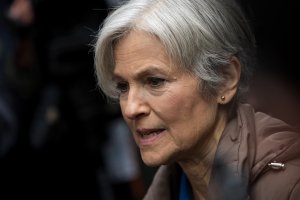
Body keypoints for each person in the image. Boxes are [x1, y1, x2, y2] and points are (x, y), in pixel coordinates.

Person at [93, 0, 300, 199]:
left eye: (155, 82)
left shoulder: (290, 187)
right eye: (123, 87)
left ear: (224, 79)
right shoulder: (171, 187)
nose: (131, 109)